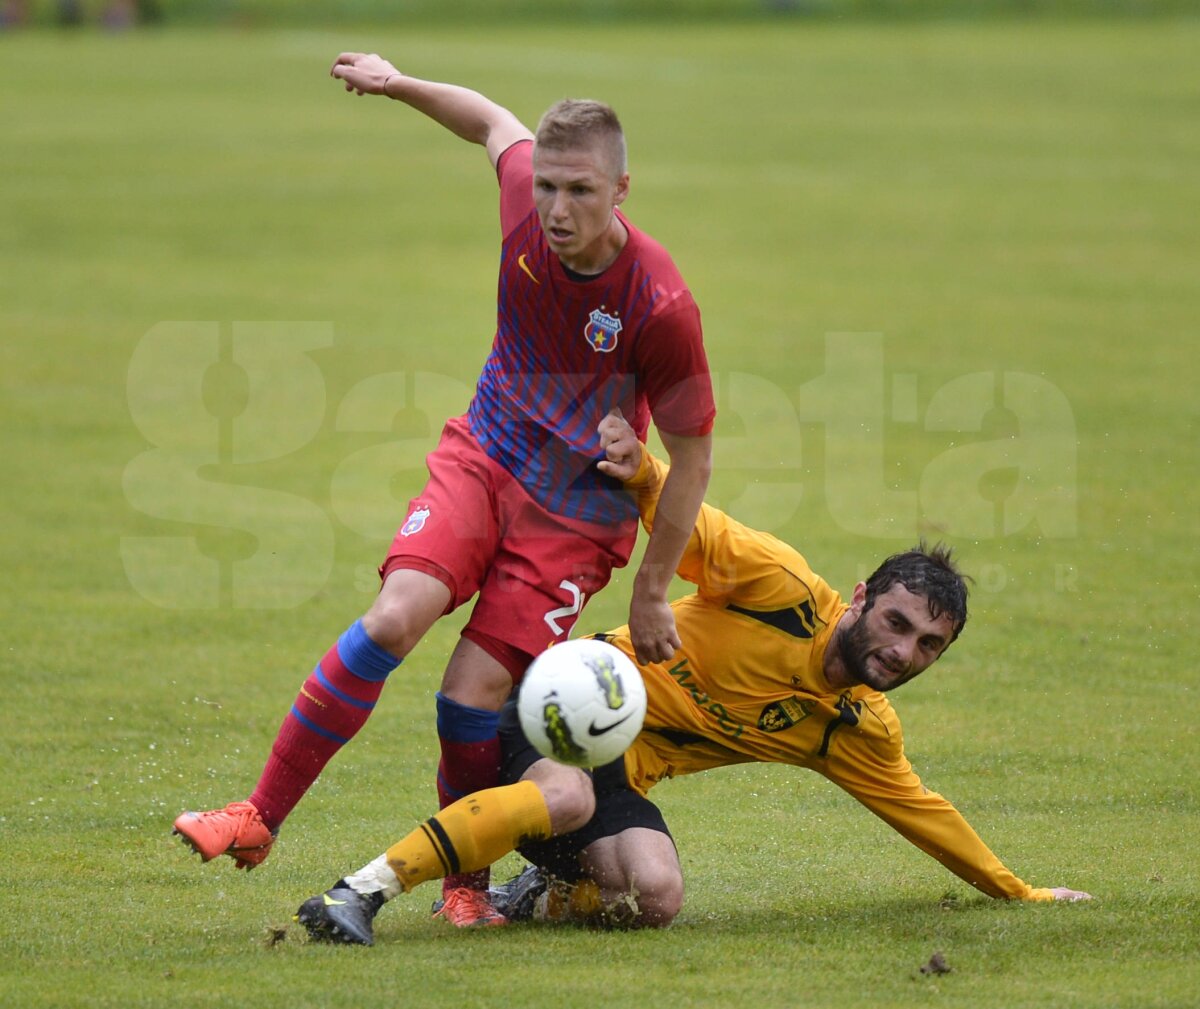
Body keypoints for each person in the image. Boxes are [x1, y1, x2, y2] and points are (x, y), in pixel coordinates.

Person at [173, 54, 715, 928]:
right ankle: (257, 815)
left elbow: (692, 456)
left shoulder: (659, 302)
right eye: (547, 186)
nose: (557, 209)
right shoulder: (524, 202)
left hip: (576, 516)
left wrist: (653, 590)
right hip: (485, 455)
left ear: (622, 189)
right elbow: (490, 121)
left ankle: (467, 884)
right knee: (395, 616)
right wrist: (397, 84)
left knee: (470, 695)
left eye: (580, 190)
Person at [293, 411, 1090, 945]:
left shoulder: (854, 727)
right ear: (860, 598)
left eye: (928, 645)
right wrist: (641, 466)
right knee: (566, 793)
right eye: (897, 622)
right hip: (566, 699)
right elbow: (688, 518)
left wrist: (1018, 892)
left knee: (656, 898)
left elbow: (925, 813)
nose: (904, 651)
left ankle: (542, 890)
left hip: (616, 774)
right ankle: (359, 891)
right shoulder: (779, 587)